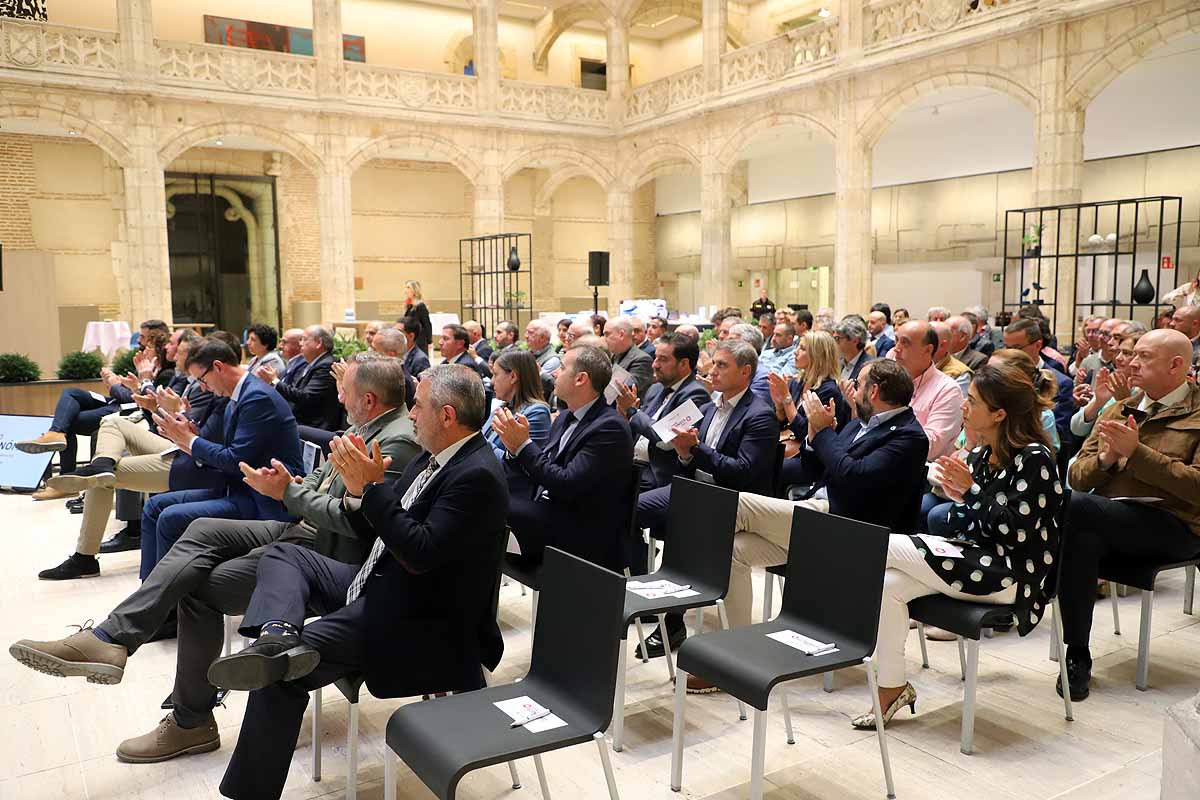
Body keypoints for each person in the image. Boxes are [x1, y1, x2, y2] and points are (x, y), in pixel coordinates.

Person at [8, 354, 421, 763]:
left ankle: (185, 716)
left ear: (368, 400)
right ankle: (113, 638)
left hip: (328, 551)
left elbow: (360, 525)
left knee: (198, 587)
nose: (338, 396)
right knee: (200, 529)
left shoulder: (395, 442)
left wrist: (289, 492)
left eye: (343, 391)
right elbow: (319, 481)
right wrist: (291, 486)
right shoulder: (367, 427)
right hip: (308, 527)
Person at [201, 364, 505, 799]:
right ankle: (277, 634)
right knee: (285, 554)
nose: (411, 414)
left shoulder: (476, 475)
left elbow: (419, 552)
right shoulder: (433, 456)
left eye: (418, 406)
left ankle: (250, 788)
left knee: (278, 675)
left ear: (448, 416)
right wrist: (361, 494)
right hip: (382, 581)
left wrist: (372, 490)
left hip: (417, 617)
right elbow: (379, 531)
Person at [853, 360, 1062, 729]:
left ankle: (828, 624)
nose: (963, 407)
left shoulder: (1036, 460)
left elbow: (1015, 534)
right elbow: (971, 522)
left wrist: (970, 493)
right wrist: (963, 498)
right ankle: (892, 686)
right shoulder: (983, 456)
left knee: (876, 546)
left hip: (1011, 575)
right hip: (975, 559)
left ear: (998, 414)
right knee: (887, 586)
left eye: (972, 401)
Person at [714, 359, 928, 639]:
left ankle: (685, 582)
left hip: (854, 529)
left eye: (859, 384)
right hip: (823, 514)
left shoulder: (910, 436)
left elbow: (854, 477)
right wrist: (814, 434)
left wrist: (825, 433)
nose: (852, 389)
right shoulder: (858, 425)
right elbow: (815, 469)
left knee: (736, 504)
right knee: (734, 548)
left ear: (873, 391)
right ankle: (733, 644)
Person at [1058, 329, 1200, 701]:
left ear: (1176, 365)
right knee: (1081, 536)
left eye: (1144, 357)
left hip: (1175, 525)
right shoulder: (1123, 407)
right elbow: (1077, 473)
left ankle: (1027, 583)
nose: (1131, 363)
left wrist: (1137, 454)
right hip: (1111, 519)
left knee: (1071, 507)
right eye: (1132, 354)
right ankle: (1077, 655)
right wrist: (1105, 460)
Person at [634, 340, 777, 657]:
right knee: (631, 506)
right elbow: (690, 459)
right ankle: (655, 601)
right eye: (713, 364)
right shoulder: (711, 407)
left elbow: (743, 472)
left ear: (745, 371)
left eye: (721, 365)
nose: (712, 371)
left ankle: (671, 617)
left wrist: (697, 450)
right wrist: (686, 454)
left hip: (733, 502)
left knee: (676, 522)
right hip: (696, 490)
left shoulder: (759, 414)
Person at [34, 334, 218, 578]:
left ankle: (84, 557)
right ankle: (100, 462)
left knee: (99, 478)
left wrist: (158, 397)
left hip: (192, 460)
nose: (173, 352)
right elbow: (183, 422)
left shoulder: (208, 387)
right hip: (179, 445)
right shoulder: (193, 381)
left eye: (180, 349)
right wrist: (155, 401)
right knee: (111, 425)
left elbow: (199, 432)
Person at [139, 339, 303, 579]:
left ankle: (164, 607)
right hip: (239, 487)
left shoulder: (257, 398)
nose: (203, 388)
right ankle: (149, 593)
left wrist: (192, 442)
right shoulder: (241, 394)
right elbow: (231, 452)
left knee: (170, 518)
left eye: (202, 380)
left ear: (218, 366)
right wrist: (189, 440)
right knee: (154, 507)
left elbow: (236, 460)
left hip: (263, 500)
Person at [494, 345, 633, 572]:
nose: (554, 374)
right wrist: (513, 448)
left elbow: (566, 483)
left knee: (487, 506)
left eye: (561, 368)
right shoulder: (565, 417)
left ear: (580, 379)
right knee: (483, 497)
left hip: (581, 528)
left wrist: (523, 446)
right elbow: (541, 468)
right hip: (550, 510)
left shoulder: (610, 427)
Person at [18, 319, 174, 480]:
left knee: (68, 422)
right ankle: (55, 434)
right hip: (116, 401)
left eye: (144, 339)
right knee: (70, 393)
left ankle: (65, 474)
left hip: (128, 409)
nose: (139, 342)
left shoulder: (164, 373)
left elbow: (140, 399)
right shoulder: (147, 362)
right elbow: (133, 388)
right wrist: (117, 382)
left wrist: (115, 386)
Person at [616, 332, 712, 491]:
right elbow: (639, 431)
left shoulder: (696, 394)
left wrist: (633, 411)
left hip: (656, 475)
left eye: (663, 359)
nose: (654, 365)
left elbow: (664, 438)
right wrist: (625, 417)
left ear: (683, 364)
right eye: (655, 358)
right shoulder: (656, 388)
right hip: (632, 464)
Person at [771, 330, 851, 490]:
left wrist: (787, 400)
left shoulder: (829, 390)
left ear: (817, 356)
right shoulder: (798, 382)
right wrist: (779, 407)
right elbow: (782, 424)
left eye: (802, 348)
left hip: (812, 459)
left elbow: (806, 433)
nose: (795, 352)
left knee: (767, 469)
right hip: (789, 446)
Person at [889, 320, 964, 461]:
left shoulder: (947, 390)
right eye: (896, 340)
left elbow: (929, 446)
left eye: (905, 343)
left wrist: (883, 440)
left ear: (928, 350)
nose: (896, 349)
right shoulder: (890, 379)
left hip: (922, 472)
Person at [481, 350, 552, 495]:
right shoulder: (503, 406)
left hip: (511, 493)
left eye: (495, 374)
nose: (492, 381)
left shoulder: (537, 412)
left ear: (513, 376)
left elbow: (520, 469)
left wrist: (476, 442)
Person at [257, 325, 341, 432]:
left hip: (312, 424)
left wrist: (274, 381)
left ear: (319, 343)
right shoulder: (310, 363)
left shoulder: (326, 365)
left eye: (304, 339)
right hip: (299, 419)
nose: (300, 343)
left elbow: (306, 397)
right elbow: (294, 390)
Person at [1003, 318, 1073, 444]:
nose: (1011, 353)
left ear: (1037, 345)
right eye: (1007, 348)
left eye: (1017, 348)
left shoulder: (1061, 383)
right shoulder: (1001, 376)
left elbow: (1058, 433)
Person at [1070, 330, 1142, 441]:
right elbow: (1076, 428)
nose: (1118, 358)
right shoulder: (1110, 381)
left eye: (1126, 353)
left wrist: (1124, 400)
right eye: (1119, 352)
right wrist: (1098, 402)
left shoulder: (1144, 391)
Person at [605, 317, 654, 398]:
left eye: (607, 334)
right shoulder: (615, 355)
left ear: (621, 334)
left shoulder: (642, 359)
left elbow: (623, 390)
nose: (604, 339)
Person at [833, 316, 873, 382]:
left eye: (837, 339)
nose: (834, 343)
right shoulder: (837, 363)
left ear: (855, 340)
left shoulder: (869, 366)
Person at [402, 279, 432, 353]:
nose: (405, 289)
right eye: (405, 287)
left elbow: (427, 324)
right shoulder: (409, 306)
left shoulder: (420, 306)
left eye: (408, 287)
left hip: (419, 340)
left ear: (414, 290)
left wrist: (429, 341)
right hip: (411, 338)